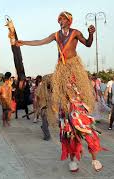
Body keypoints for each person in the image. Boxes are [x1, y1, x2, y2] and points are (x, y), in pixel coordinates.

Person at [13, 11, 104, 172]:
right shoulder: (56, 35)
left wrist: (91, 34)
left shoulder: (75, 33)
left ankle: (94, 158)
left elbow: (88, 44)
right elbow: (40, 41)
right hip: (61, 70)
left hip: (73, 68)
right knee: (67, 126)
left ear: (69, 20)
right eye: (59, 19)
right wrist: (24, 43)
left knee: (82, 122)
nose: (60, 21)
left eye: (63, 19)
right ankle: (73, 159)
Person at [35, 76, 51, 141]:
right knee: (45, 122)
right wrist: (37, 108)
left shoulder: (49, 88)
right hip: (43, 108)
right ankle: (47, 136)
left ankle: (44, 128)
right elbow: (36, 97)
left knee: (47, 123)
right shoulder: (40, 87)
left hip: (48, 108)